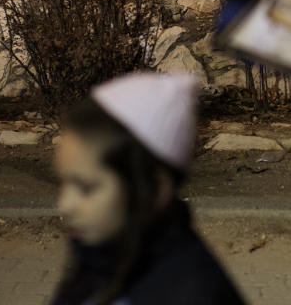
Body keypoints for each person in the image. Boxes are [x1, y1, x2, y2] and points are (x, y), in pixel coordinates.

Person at [50, 72, 245, 305]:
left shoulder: (193, 294)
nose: (64, 205)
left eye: (86, 188)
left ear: (154, 188)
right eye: (63, 183)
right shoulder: (100, 256)